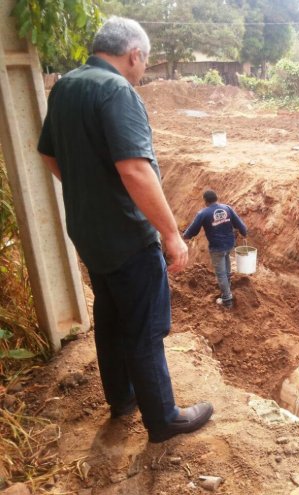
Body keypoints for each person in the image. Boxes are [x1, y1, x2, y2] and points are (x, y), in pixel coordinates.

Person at [37, 16, 213, 443]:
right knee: (145, 327)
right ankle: (164, 419)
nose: (144, 70)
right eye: (145, 62)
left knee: (111, 316)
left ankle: (123, 399)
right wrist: (172, 234)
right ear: (133, 54)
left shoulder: (66, 86)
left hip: (88, 230)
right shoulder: (117, 91)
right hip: (126, 236)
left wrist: (88, 189)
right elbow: (135, 169)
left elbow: (48, 155)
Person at [182, 190, 248, 309]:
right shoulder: (227, 208)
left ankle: (227, 300)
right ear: (216, 198)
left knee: (221, 274)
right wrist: (244, 233)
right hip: (229, 244)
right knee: (226, 268)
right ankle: (228, 289)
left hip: (217, 247)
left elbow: (193, 230)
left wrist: (185, 236)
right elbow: (240, 225)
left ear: (205, 201)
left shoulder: (203, 213)